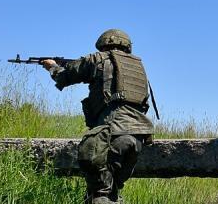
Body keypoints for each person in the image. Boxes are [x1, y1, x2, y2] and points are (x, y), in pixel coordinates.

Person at [41, 29, 155, 204]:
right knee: (112, 193)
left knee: (100, 195)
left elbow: (65, 76)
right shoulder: (138, 67)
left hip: (112, 133)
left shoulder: (98, 59)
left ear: (104, 44)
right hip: (137, 137)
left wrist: (53, 67)